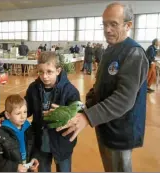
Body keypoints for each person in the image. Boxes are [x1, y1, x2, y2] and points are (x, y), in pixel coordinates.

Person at [56, 2, 149, 172]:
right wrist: (82, 109)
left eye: (113, 24)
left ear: (128, 25)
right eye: (105, 24)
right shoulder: (109, 50)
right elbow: (100, 87)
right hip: (105, 125)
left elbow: (123, 99)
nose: (107, 29)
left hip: (121, 130)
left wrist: (87, 118)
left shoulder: (133, 53)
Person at [0, 52, 80, 172]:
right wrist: (4, 116)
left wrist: (64, 114)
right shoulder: (33, 88)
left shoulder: (70, 91)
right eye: (41, 72)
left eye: (49, 72)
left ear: (58, 70)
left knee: (64, 169)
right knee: (43, 169)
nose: (44, 76)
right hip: (41, 143)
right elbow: (24, 109)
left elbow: (77, 115)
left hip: (62, 144)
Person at [0, 94, 39, 172]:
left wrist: (34, 158)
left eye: (25, 112)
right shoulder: (0, 134)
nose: (23, 116)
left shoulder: (29, 128)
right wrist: (15, 167)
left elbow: (33, 147)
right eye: (18, 113)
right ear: (8, 115)